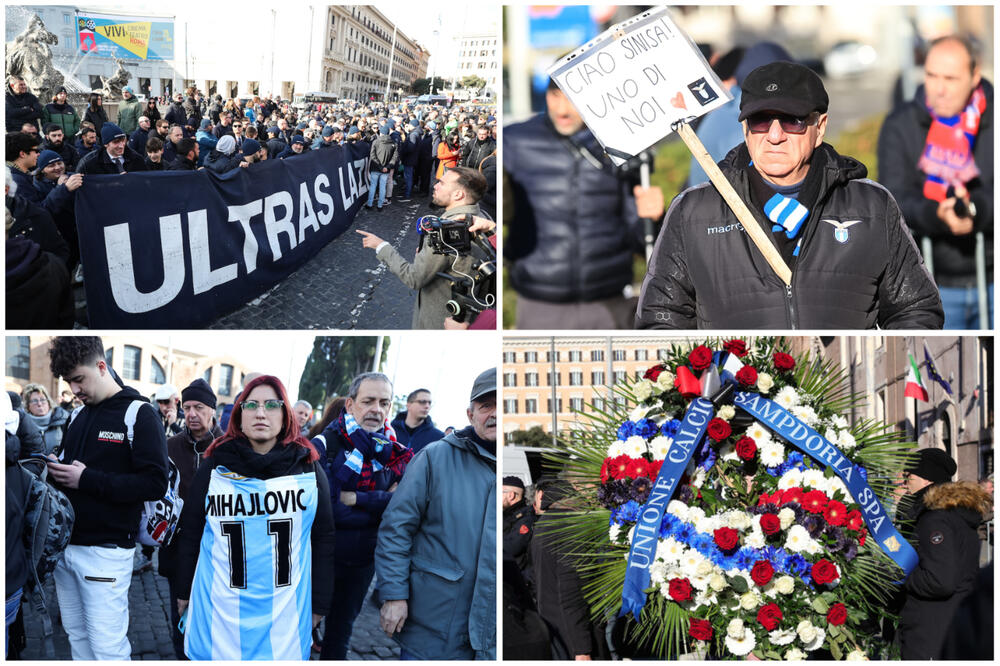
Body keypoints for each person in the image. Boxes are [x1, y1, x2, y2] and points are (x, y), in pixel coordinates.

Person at [635, 61, 944, 329]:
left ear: (819, 127)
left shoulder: (871, 207)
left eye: (792, 121)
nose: (774, 135)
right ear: (745, 130)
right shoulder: (693, 212)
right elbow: (660, 318)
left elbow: (916, 310)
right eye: (760, 120)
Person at [174, 375, 335, 660]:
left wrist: (319, 604)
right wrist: (183, 590)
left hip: (284, 613)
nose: (261, 413)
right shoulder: (215, 464)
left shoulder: (307, 466)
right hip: (219, 610)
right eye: (251, 405)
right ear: (239, 414)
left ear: (285, 415)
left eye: (271, 405)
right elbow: (191, 531)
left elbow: (323, 538)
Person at [504, 79, 665, 329]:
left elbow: (640, 237)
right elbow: (497, 211)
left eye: (572, 99)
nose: (563, 110)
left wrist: (654, 219)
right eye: (555, 95)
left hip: (609, 302)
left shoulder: (621, 142)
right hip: (539, 304)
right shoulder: (514, 141)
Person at [45, 336, 169, 660]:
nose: (74, 389)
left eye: (78, 379)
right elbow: (70, 468)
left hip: (105, 553)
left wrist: (86, 479)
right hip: (66, 549)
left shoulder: (139, 413)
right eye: (68, 381)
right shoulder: (76, 416)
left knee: (107, 650)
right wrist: (54, 467)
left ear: (102, 366)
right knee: (77, 638)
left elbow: (155, 483)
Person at [375, 367, 496, 660]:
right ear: (470, 414)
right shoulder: (435, 457)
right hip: (435, 629)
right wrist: (394, 594)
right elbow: (396, 528)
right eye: (486, 406)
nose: (495, 414)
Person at [877, 35, 993, 329]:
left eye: (950, 78)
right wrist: (935, 214)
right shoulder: (900, 123)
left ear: (974, 76)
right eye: (931, 75)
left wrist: (976, 210)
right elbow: (892, 197)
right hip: (931, 282)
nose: (939, 89)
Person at [313, 373, 413, 661]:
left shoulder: (392, 450)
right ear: (350, 404)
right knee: (305, 627)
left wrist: (358, 499)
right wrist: (379, 506)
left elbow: (399, 507)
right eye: (368, 401)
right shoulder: (325, 444)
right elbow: (330, 510)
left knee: (340, 634)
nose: (376, 409)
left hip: (363, 562)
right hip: (322, 558)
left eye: (384, 402)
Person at [357, 167, 490, 329]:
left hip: (438, 324)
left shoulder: (446, 232)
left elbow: (413, 278)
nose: (435, 185)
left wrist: (381, 246)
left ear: (458, 195)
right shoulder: (483, 219)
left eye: (441, 183)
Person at [899, 447, 991, 659]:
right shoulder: (953, 515)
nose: (905, 482)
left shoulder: (935, 520)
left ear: (926, 479)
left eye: (909, 476)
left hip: (930, 631)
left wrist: (899, 573)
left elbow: (939, 581)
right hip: (948, 623)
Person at [158, 378, 223, 659]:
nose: (192, 414)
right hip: (178, 548)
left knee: (214, 617)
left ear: (212, 410)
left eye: (199, 407)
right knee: (180, 615)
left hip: (217, 549)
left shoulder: (228, 447)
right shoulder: (170, 446)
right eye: (187, 407)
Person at [531, 478, 609, 660]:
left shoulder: (544, 524)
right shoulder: (570, 527)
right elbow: (571, 590)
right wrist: (581, 648)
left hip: (555, 629)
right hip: (574, 636)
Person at [76, 123, 147, 174]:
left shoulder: (136, 159)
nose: (121, 146)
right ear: (106, 144)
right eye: (116, 142)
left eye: (123, 140)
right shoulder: (88, 163)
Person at [390, 388, 444, 456]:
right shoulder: (389, 430)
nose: (427, 406)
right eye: (422, 402)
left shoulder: (438, 438)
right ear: (409, 405)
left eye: (429, 403)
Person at [20, 383, 69, 455]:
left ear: (49, 402)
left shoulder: (63, 421)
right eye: (34, 401)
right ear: (28, 406)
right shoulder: (23, 426)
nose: (39, 404)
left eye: (43, 400)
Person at [502, 476, 534, 576]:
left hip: (516, 577)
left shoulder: (526, 518)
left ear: (511, 495)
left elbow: (512, 547)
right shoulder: (506, 515)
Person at [367, 124, 397, 210]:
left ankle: (369, 204)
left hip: (376, 168)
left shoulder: (376, 142)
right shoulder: (393, 143)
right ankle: (380, 205)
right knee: (382, 187)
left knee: (373, 186)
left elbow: (372, 156)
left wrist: (381, 167)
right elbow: (394, 158)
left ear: (381, 133)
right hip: (385, 169)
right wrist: (387, 167)